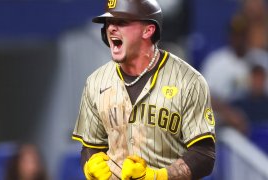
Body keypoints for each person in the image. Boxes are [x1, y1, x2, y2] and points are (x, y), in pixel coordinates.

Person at [72, 0, 216, 179]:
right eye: (108, 23)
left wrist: (159, 176)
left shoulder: (189, 80)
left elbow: (204, 154)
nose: (111, 29)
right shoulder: (96, 82)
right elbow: (90, 146)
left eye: (122, 22)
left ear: (148, 30)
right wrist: (90, 164)